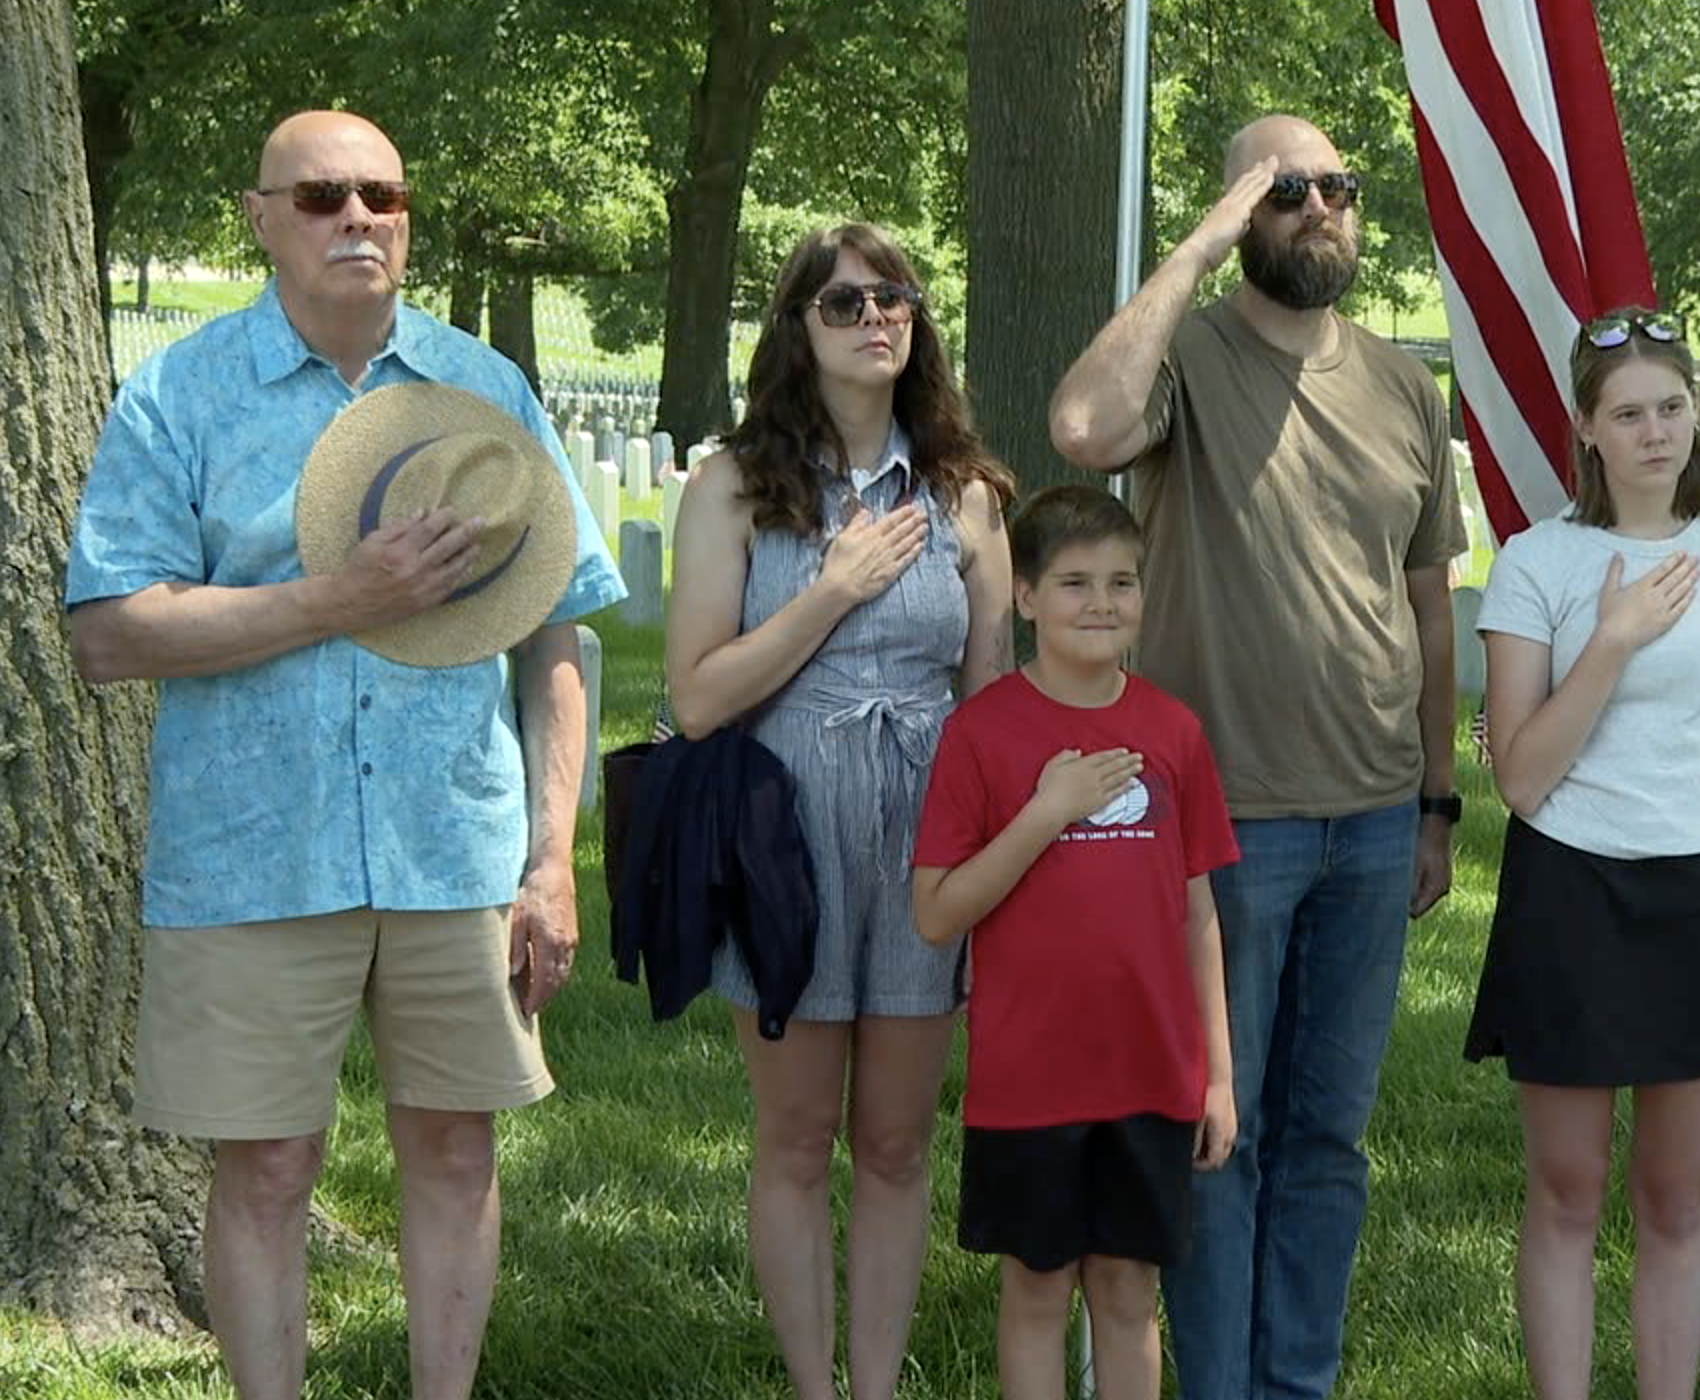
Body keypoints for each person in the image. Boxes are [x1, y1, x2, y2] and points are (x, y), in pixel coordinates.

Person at [64, 110, 625, 1400]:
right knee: (265, 1166)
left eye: (384, 193)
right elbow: (108, 632)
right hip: (253, 847)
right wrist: (342, 598)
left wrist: (550, 859)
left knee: (456, 1148)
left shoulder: (484, 391)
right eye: (321, 196)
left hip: (452, 844)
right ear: (261, 219)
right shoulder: (181, 395)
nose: (358, 217)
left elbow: (554, 632)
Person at [1049, 114, 1465, 1398]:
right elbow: (1082, 427)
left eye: (1335, 186)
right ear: (1239, 212)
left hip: (1375, 819)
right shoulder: (1187, 360)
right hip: (1226, 824)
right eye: (1284, 191)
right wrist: (1200, 243)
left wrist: (1438, 799)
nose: (1317, 207)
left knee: (1328, 1139)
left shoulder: (1403, 385)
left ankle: (1299, 1383)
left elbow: (1428, 603)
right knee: (1217, 1130)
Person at [664, 222, 1014, 1400]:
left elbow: (991, 704)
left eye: (894, 297)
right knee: (800, 1131)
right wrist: (831, 592)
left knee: (899, 1139)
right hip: (784, 834)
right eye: (844, 302)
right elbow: (697, 697)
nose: (875, 318)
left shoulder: (966, 494)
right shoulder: (733, 486)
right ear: (796, 328)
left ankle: (877, 1383)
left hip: (927, 838)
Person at [1465, 308, 1700, 1400]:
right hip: (1571, 890)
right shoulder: (1537, 563)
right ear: (1586, 428)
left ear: (1694, 415)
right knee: (1568, 1189)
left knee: (1676, 1201)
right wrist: (1610, 642)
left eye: (1671, 407)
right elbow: (1521, 778)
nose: (1654, 432)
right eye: (1627, 414)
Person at [913, 484, 1240, 1400]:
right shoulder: (982, 734)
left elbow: (1199, 914)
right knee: (1036, 1287)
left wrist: (1217, 1075)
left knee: (1130, 1289)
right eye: (1074, 583)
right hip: (1031, 1076)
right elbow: (936, 912)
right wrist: (1046, 812)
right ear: (1024, 596)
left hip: (1150, 1071)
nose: (1102, 603)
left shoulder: (1173, 732)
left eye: (1121, 583)